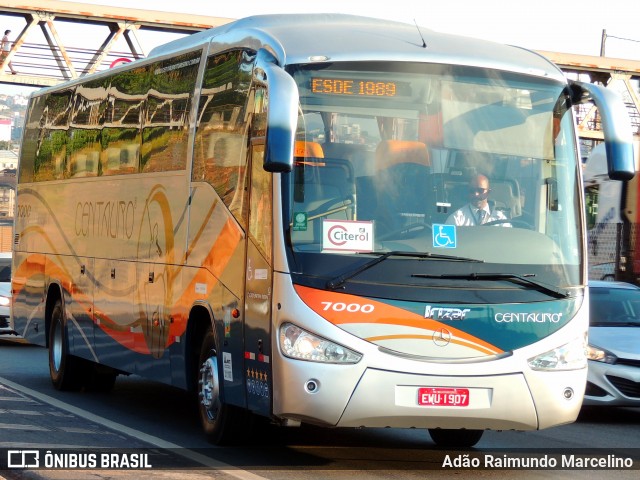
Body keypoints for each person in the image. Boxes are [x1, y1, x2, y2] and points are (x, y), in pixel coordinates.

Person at [446, 173, 511, 227]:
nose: (476, 194)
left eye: (480, 190)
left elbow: (509, 240)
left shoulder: (500, 218)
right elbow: (446, 241)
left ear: (488, 192)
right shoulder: (457, 218)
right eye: (472, 191)